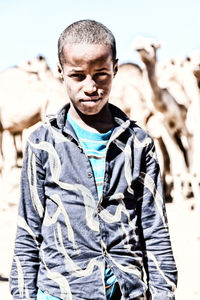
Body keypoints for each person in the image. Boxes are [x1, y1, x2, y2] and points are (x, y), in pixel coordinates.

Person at [9, 19, 177, 300]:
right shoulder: (42, 144)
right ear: (61, 73)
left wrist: (163, 293)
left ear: (115, 70)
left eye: (101, 74)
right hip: (60, 292)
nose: (90, 86)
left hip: (125, 291)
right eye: (78, 76)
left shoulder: (139, 144)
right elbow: (28, 230)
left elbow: (155, 228)